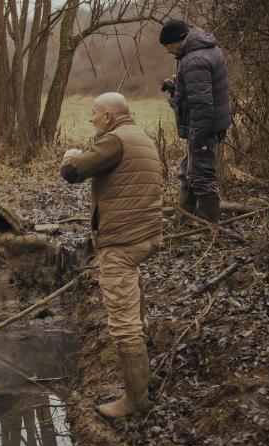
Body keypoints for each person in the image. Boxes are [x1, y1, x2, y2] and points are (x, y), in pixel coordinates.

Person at [61, 92, 163, 418]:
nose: (90, 118)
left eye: (93, 113)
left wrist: (70, 155)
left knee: (123, 324)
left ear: (108, 116)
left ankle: (136, 402)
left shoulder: (114, 141)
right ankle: (145, 378)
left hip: (121, 243)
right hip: (145, 238)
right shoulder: (140, 137)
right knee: (136, 306)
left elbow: (73, 172)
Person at [160, 19, 231, 223]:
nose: (166, 50)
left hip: (203, 129)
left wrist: (198, 140)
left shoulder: (194, 60)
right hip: (205, 126)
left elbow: (202, 106)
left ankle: (210, 228)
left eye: (167, 45)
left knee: (202, 176)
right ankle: (183, 219)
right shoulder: (201, 51)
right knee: (189, 171)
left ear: (179, 40)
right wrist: (176, 87)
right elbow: (197, 94)